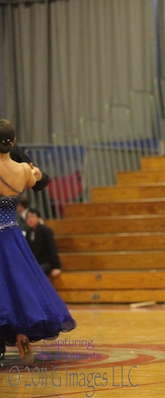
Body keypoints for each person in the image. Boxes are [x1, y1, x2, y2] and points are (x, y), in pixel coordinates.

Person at [0, 118, 76, 364]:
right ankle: (22, 333)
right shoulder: (22, 169)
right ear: (13, 141)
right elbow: (38, 179)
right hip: (12, 234)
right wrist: (35, 172)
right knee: (18, 288)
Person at [25, 209, 62, 277]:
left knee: (37, 271)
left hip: (46, 262)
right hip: (35, 262)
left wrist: (56, 267)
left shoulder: (46, 231)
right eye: (28, 217)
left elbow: (52, 248)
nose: (30, 220)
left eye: (32, 217)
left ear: (39, 219)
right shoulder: (28, 232)